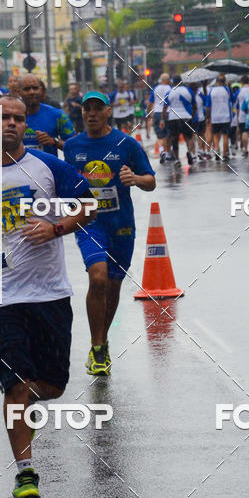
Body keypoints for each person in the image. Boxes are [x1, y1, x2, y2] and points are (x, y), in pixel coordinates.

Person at [0, 95, 95, 498]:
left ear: (26, 124)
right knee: (16, 385)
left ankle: (25, 400)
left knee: (53, 386)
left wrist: (57, 228)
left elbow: (89, 205)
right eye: (3, 118)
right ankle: (25, 471)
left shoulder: (49, 166)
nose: (11, 123)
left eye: (18, 118)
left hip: (48, 291)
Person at [64, 91, 156, 377]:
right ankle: (97, 345)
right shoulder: (71, 146)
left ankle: (101, 341)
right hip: (90, 223)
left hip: (121, 225)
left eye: (97, 109)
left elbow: (150, 181)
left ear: (108, 112)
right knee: (98, 277)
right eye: (86, 109)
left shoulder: (126, 143)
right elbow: (66, 183)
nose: (91, 114)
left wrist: (136, 179)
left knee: (113, 286)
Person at [19, 73, 74, 156]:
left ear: (41, 90)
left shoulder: (58, 115)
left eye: (35, 88)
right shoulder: (9, 116)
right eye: (27, 89)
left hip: (48, 168)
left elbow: (75, 147)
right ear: (19, 92)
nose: (31, 92)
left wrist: (54, 141)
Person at [161, 75, 196, 167]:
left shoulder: (170, 92)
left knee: (174, 139)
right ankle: (189, 152)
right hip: (186, 117)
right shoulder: (188, 91)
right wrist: (192, 115)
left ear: (173, 82)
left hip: (173, 118)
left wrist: (162, 119)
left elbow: (165, 107)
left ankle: (177, 160)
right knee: (189, 137)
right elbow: (194, 104)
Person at [205, 74, 232, 160]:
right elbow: (232, 100)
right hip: (226, 117)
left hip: (215, 117)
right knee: (225, 136)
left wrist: (208, 117)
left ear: (216, 82)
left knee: (216, 136)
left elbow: (208, 106)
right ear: (224, 82)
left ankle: (217, 150)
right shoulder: (227, 90)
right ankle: (225, 154)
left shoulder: (212, 91)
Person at [148, 73, 172, 164]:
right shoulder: (171, 89)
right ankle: (168, 153)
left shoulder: (155, 89)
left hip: (157, 113)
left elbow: (150, 103)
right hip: (169, 113)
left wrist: (148, 113)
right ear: (168, 80)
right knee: (168, 134)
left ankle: (162, 150)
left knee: (159, 134)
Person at [190, 81, 209, 160]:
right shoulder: (200, 94)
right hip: (200, 118)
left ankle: (195, 152)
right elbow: (205, 103)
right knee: (201, 135)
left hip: (194, 119)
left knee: (193, 136)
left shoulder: (189, 95)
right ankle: (199, 150)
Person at [235, 76, 249, 157]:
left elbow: (237, 105)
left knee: (244, 132)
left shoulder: (239, 91)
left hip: (242, 116)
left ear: (241, 82)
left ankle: (246, 150)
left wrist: (238, 117)